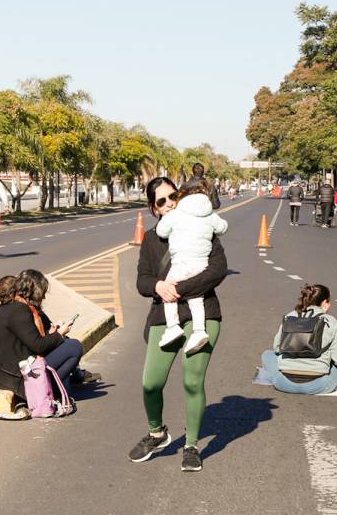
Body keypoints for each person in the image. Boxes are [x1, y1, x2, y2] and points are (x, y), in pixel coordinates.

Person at [131, 177, 228, 472]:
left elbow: (218, 269)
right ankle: (157, 433)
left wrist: (181, 287)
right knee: (151, 383)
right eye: (161, 201)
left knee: (192, 380)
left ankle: (191, 445)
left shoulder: (203, 228)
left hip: (203, 314)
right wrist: (159, 285)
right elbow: (142, 280)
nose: (169, 203)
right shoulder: (151, 239)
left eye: (173, 196)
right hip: (165, 316)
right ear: (154, 208)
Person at [0, 270, 99, 399]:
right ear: (35, 292)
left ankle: (62, 381)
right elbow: (38, 346)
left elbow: (29, 339)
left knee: (65, 342)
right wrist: (59, 334)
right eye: (42, 294)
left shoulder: (14, 307)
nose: (43, 298)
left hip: (3, 371)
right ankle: (47, 390)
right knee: (74, 346)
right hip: (10, 377)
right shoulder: (19, 311)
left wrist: (52, 333)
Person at [155, 180, 228, 355]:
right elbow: (223, 227)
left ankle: (172, 327)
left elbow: (161, 232)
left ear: (181, 196)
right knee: (196, 298)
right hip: (201, 264)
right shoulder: (209, 214)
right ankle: (199, 331)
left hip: (181, 263)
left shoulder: (176, 213)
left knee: (169, 293)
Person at [259, 284, 337, 394]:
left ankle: (279, 375)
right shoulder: (331, 321)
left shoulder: (290, 316)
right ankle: (328, 379)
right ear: (324, 303)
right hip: (319, 385)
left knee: (267, 354)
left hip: (283, 383)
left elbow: (277, 348)